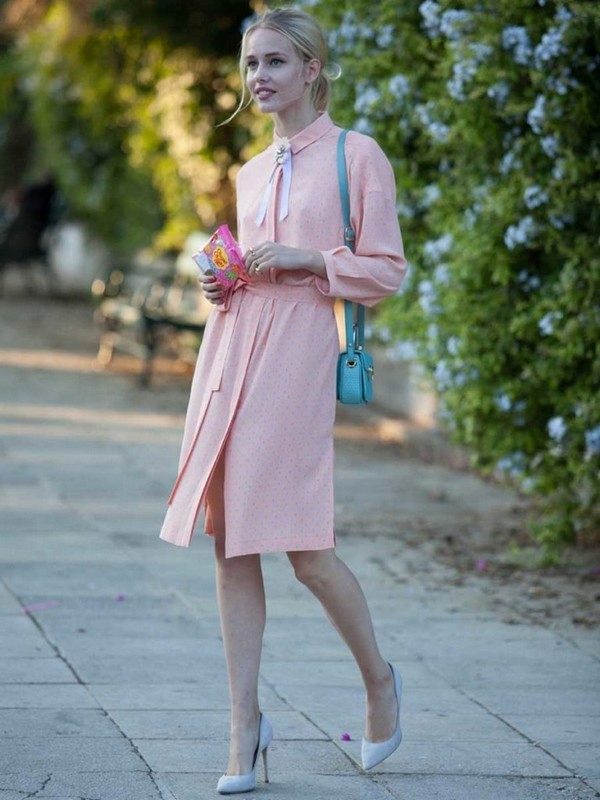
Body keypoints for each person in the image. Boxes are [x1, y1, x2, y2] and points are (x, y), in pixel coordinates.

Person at [158, 6, 408, 794]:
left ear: (311, 69)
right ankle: (245, 728)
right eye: (251, 63)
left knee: (305, 548)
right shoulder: (251, 170)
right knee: (230, 540)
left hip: (298, 353)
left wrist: (308, 257)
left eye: (273, 62)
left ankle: (379, 681)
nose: (258, 77)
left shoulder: (356, 156)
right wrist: (222, 279)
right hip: (232, 348)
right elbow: (248, 269)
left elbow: (387, 270)